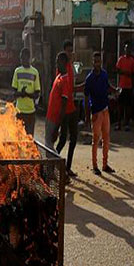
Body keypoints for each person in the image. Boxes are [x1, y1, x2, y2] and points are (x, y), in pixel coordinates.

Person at [84, 52, 119, 176]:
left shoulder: (104, 74)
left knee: (106, 138)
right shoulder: (89, 78)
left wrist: (114, 90)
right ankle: (95, 166)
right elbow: (86, 97)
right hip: (96, 112)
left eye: (99, 61)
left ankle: (104, 164)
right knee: (96, 140)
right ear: (92, 63)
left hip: (105, 110)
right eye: (95, 61)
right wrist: (87, 115)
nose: (97, 63)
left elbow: (107, 86)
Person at [56, 40, 81, 179]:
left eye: (71, 51)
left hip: (72, 108)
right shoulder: (62, 68)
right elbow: (62, 90)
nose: (70, 53)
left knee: (73, 138)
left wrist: (82, 86)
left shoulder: (71, 67)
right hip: (65, 109)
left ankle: (67, 167)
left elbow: (71, 88)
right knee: (63, 139)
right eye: (68, 51)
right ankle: (53, 162)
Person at [45, 52, 71, 153]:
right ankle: (52, 166)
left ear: (64, 62)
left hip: (54, 118)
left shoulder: (65, 81)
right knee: (48, 144)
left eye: (58, 62)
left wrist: (57, 127)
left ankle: (56, 165)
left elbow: (64, 106)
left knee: (48, 146)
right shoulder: (59, 76)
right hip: (50, 116)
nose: (56, 64)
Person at [12, 48, 41, 136]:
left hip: (30, 113)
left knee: (29, 138)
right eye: (21, 58)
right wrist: (21, 93)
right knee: (18, 138)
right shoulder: (17, 71)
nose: (22, 60)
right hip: (19, 111)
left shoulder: (34, 72)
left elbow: (37, 94)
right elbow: (14, 93)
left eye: (23, 58)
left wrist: (27, 94)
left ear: (28, 58)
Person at [115, 43, 134, 131]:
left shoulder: (132, 60)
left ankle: (126, 124)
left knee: (128, 106)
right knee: (120, 106)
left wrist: (127, 73)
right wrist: (126, 73)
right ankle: (119, 124)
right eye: (126, 49)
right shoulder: (121, 59)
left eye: (128, 49)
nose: (127, 51)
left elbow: (133, 73)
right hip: (122, 86)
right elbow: (118, 70)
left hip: (129, 86)